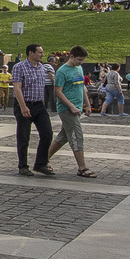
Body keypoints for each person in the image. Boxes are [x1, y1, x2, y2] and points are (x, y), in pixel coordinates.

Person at [45, 45, 95, 177]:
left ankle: (43, 160)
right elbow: (57, 92)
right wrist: (71, 106)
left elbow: (82, 87)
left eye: (83, 60)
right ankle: (82, 167)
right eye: (79, 59)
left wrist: (87, 104)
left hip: (77, 108)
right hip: (67, 109)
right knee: (77, 136)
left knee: (63, 137)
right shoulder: (62, 71)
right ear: (71, 56)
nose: (81, 62)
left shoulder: (79, 68)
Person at [11, 43, 55, 174]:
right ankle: (23, 166)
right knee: (24, 137)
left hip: (39, 105)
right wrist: (23, 106)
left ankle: (40, 164)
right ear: (31, 53)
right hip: (25, 104)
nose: (42, 55)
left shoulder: (41, 67)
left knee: (47, 133)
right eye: (40, 52)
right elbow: (17, 88)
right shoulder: (20, 67)